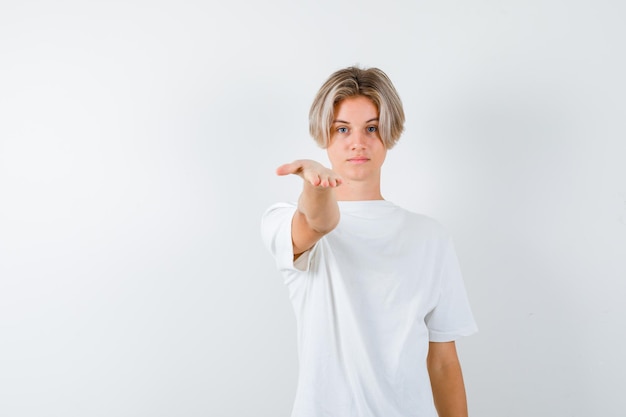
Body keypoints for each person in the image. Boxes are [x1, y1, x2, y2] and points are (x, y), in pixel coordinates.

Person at [261, 66, 477, 417]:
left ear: (389, 135)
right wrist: (316, 188)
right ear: (324, 134)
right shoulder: (283, 220)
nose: (357, 142)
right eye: (342, 129)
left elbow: (443, 362)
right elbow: (318, 224)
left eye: (371, 128)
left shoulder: (430, 237)